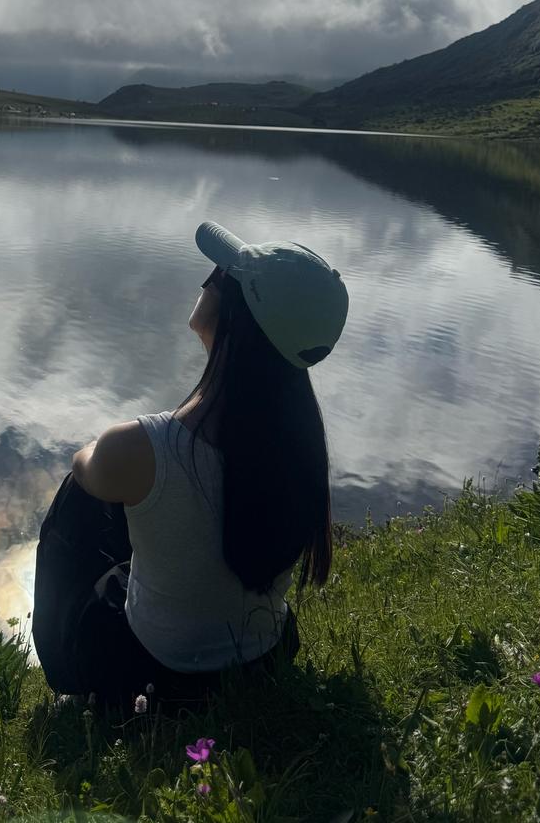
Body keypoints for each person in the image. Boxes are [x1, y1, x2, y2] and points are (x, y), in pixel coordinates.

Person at [31, 220, 350, 710]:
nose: (209, 276)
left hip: (152, 673)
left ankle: (70, 679)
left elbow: (83, 466)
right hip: (265, 656)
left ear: (235, 316)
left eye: (221, 275)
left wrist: (115, 461)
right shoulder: (303, 445)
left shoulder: (143, 446)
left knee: (80, 496)